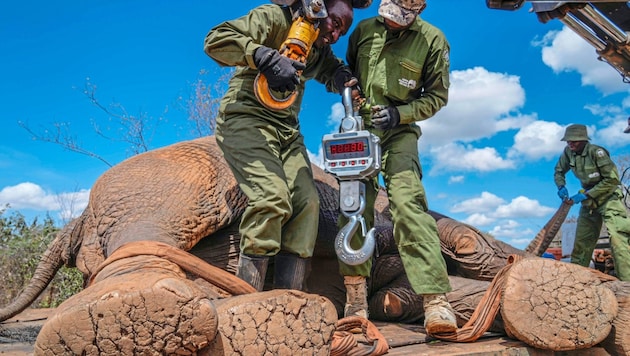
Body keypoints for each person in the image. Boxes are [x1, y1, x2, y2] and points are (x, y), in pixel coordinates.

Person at [203, 0, 358, 292]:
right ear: (318, 8)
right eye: (335, 24)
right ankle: (246, 299)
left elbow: (328, 67)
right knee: (271, 198)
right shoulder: (274, 18)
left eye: (342, 32)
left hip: (286, 130)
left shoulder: (317, 48)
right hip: (246, 119)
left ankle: (288, 299)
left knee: (307, 205)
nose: (336, 36)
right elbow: (216, 39)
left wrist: (341, 78)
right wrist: (263, 57)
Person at [340, 0, 457, 336]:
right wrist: (349, 88)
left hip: (400, 132)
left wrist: (400, 114)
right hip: (360, 129)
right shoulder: (363, 31)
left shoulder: (433, 41)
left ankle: (435, 301)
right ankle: (356, 299)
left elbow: (436, 97)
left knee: (409, 205)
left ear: (417, 12)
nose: (391, 23)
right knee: (354, 206)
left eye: (401, 19)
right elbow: (348, 74)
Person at [554, 123, 630, 281]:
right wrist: (561, 186)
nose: (570, 143)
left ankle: (627, 284)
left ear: (583, 140)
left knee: (618, 239)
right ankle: (575, 283)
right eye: (568, 140)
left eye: (574, 140)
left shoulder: (597, 152)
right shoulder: (568, 153)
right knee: (582, 242)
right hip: (589, 201)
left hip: (608, 196)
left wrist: (587, 195)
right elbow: (559, 171)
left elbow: (612, 180)